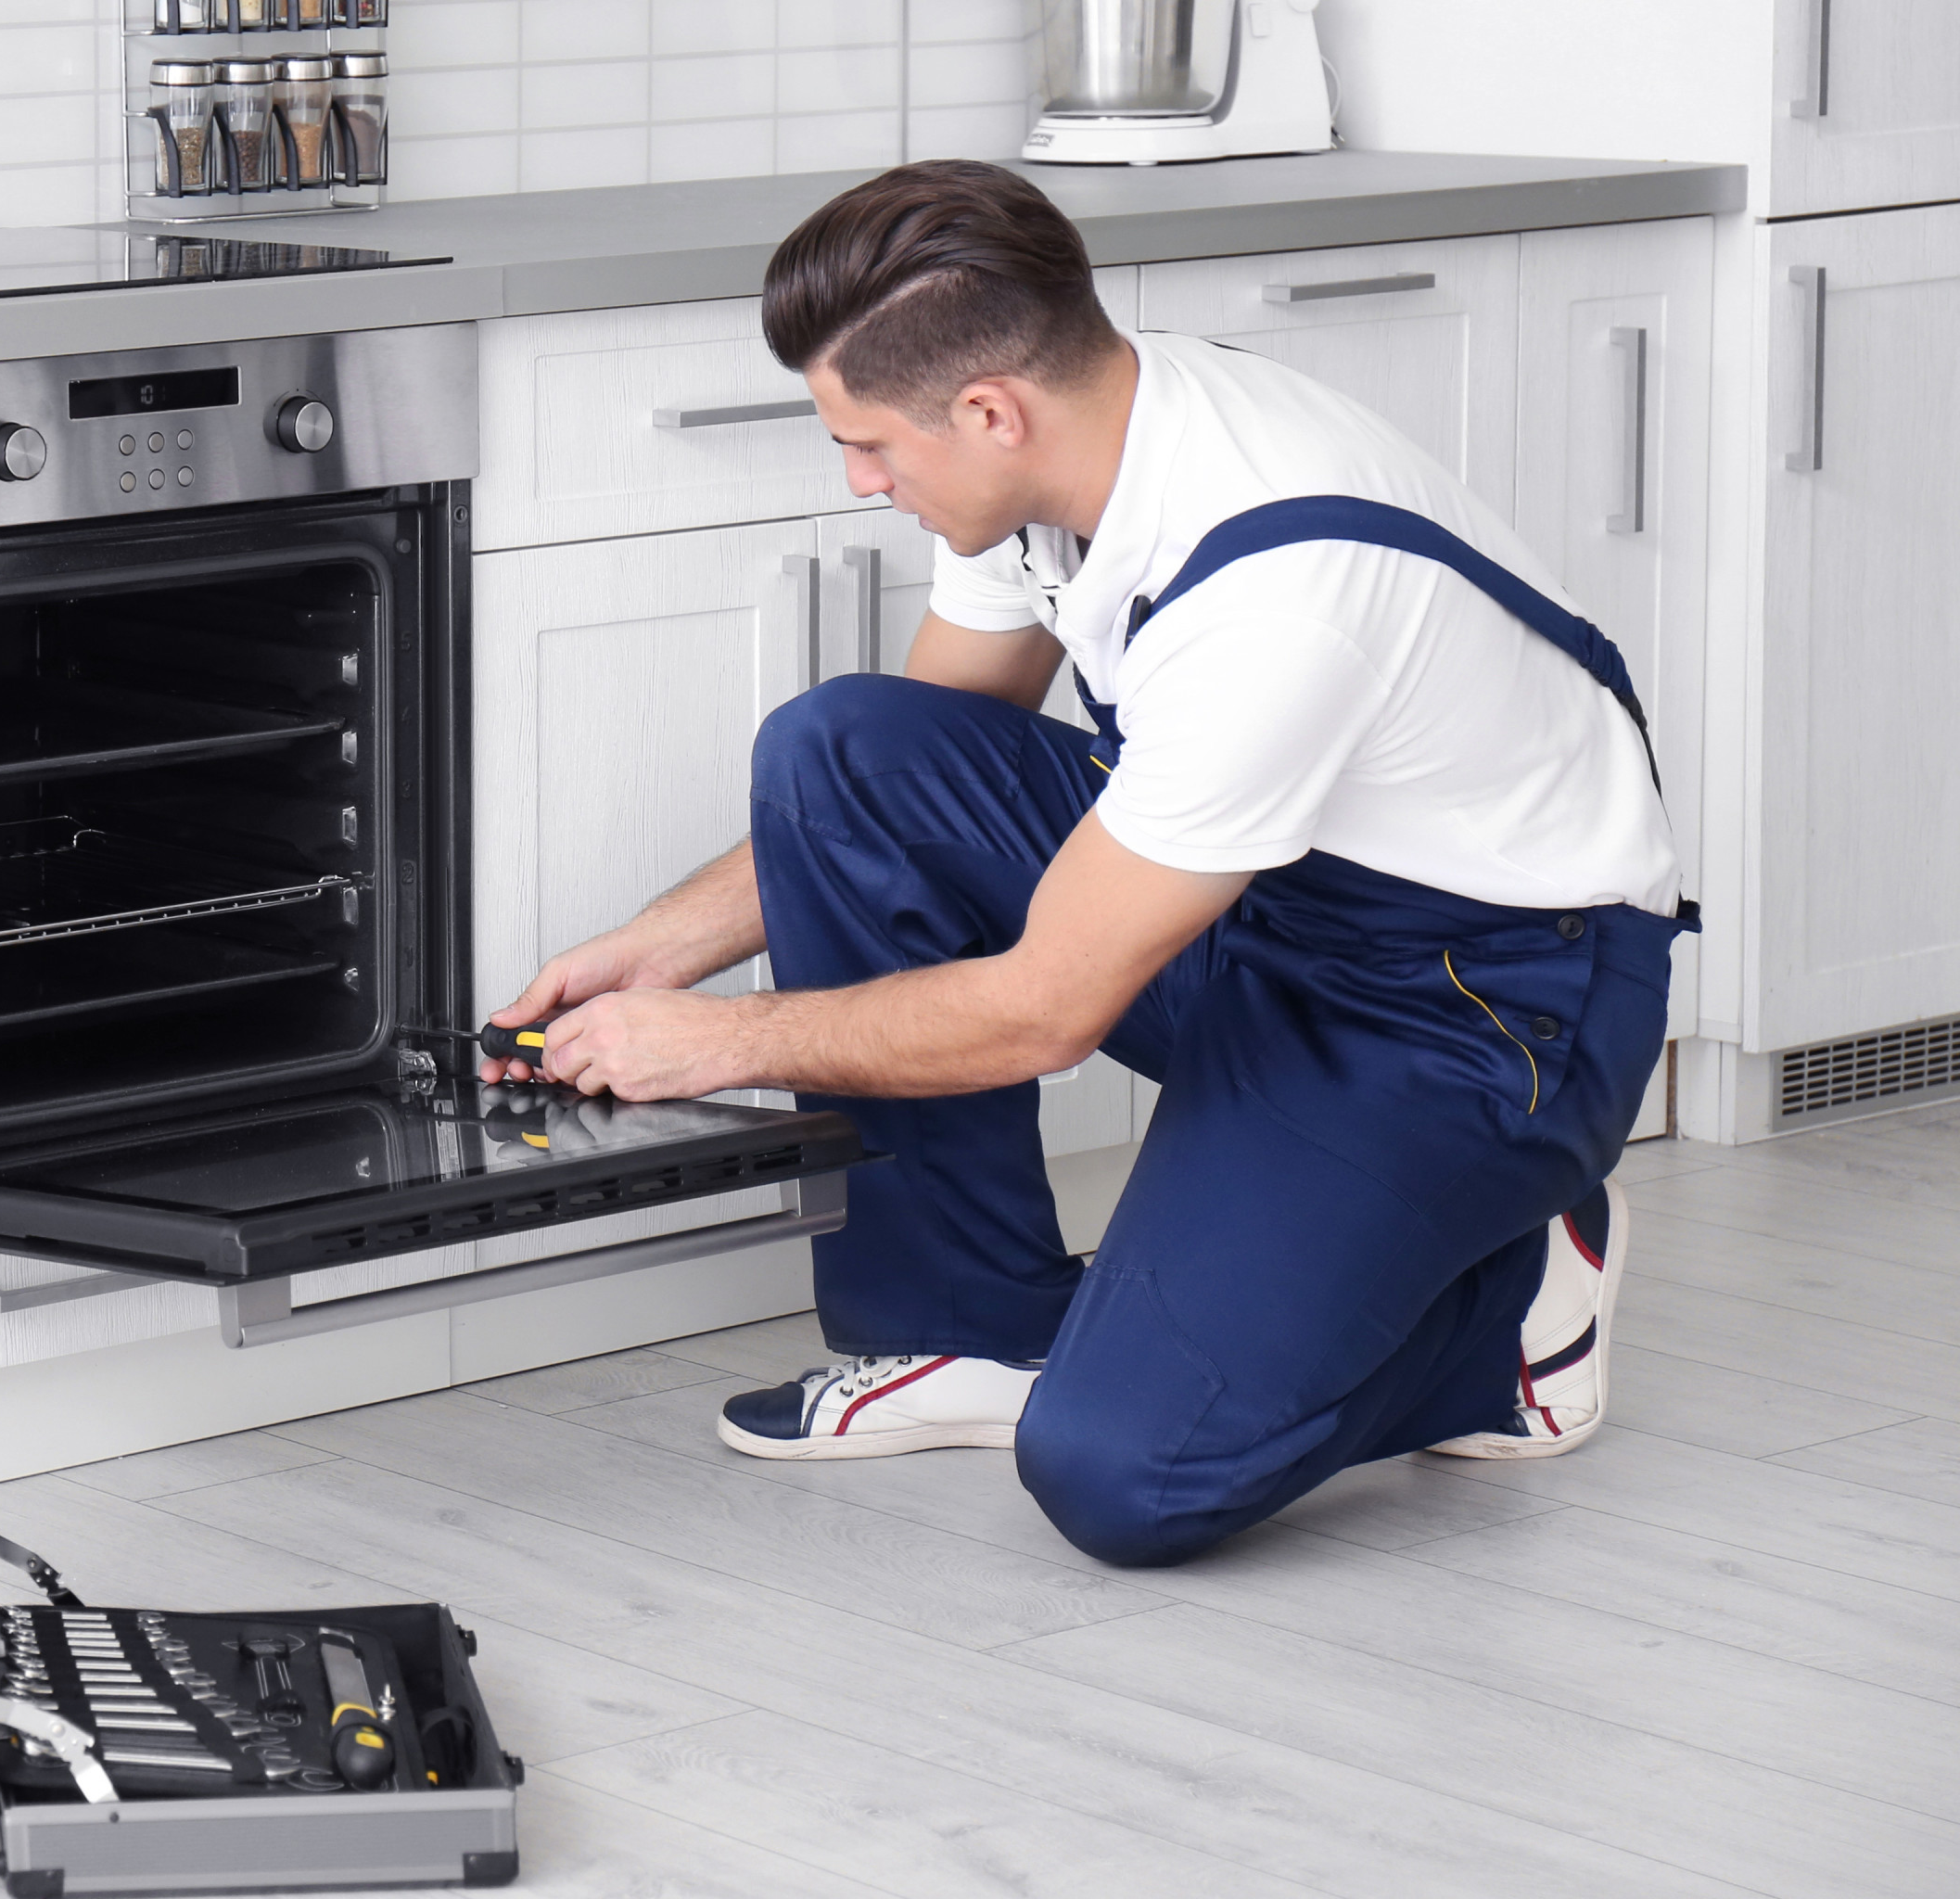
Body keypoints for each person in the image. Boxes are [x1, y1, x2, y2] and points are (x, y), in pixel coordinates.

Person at [480, 160, 1686, 1568]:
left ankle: (1519, 1295)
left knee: (1129, 1472)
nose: (860, 480)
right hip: (1261, 905)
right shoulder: (1079, 448)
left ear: (990, 411)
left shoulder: (1276, 593)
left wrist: (713, 1044)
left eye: (867, 443)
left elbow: (1047, 1009)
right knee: (850, 747)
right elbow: (920, 765)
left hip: (1475, 1007)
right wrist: (667, 943)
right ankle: (967, 1329)